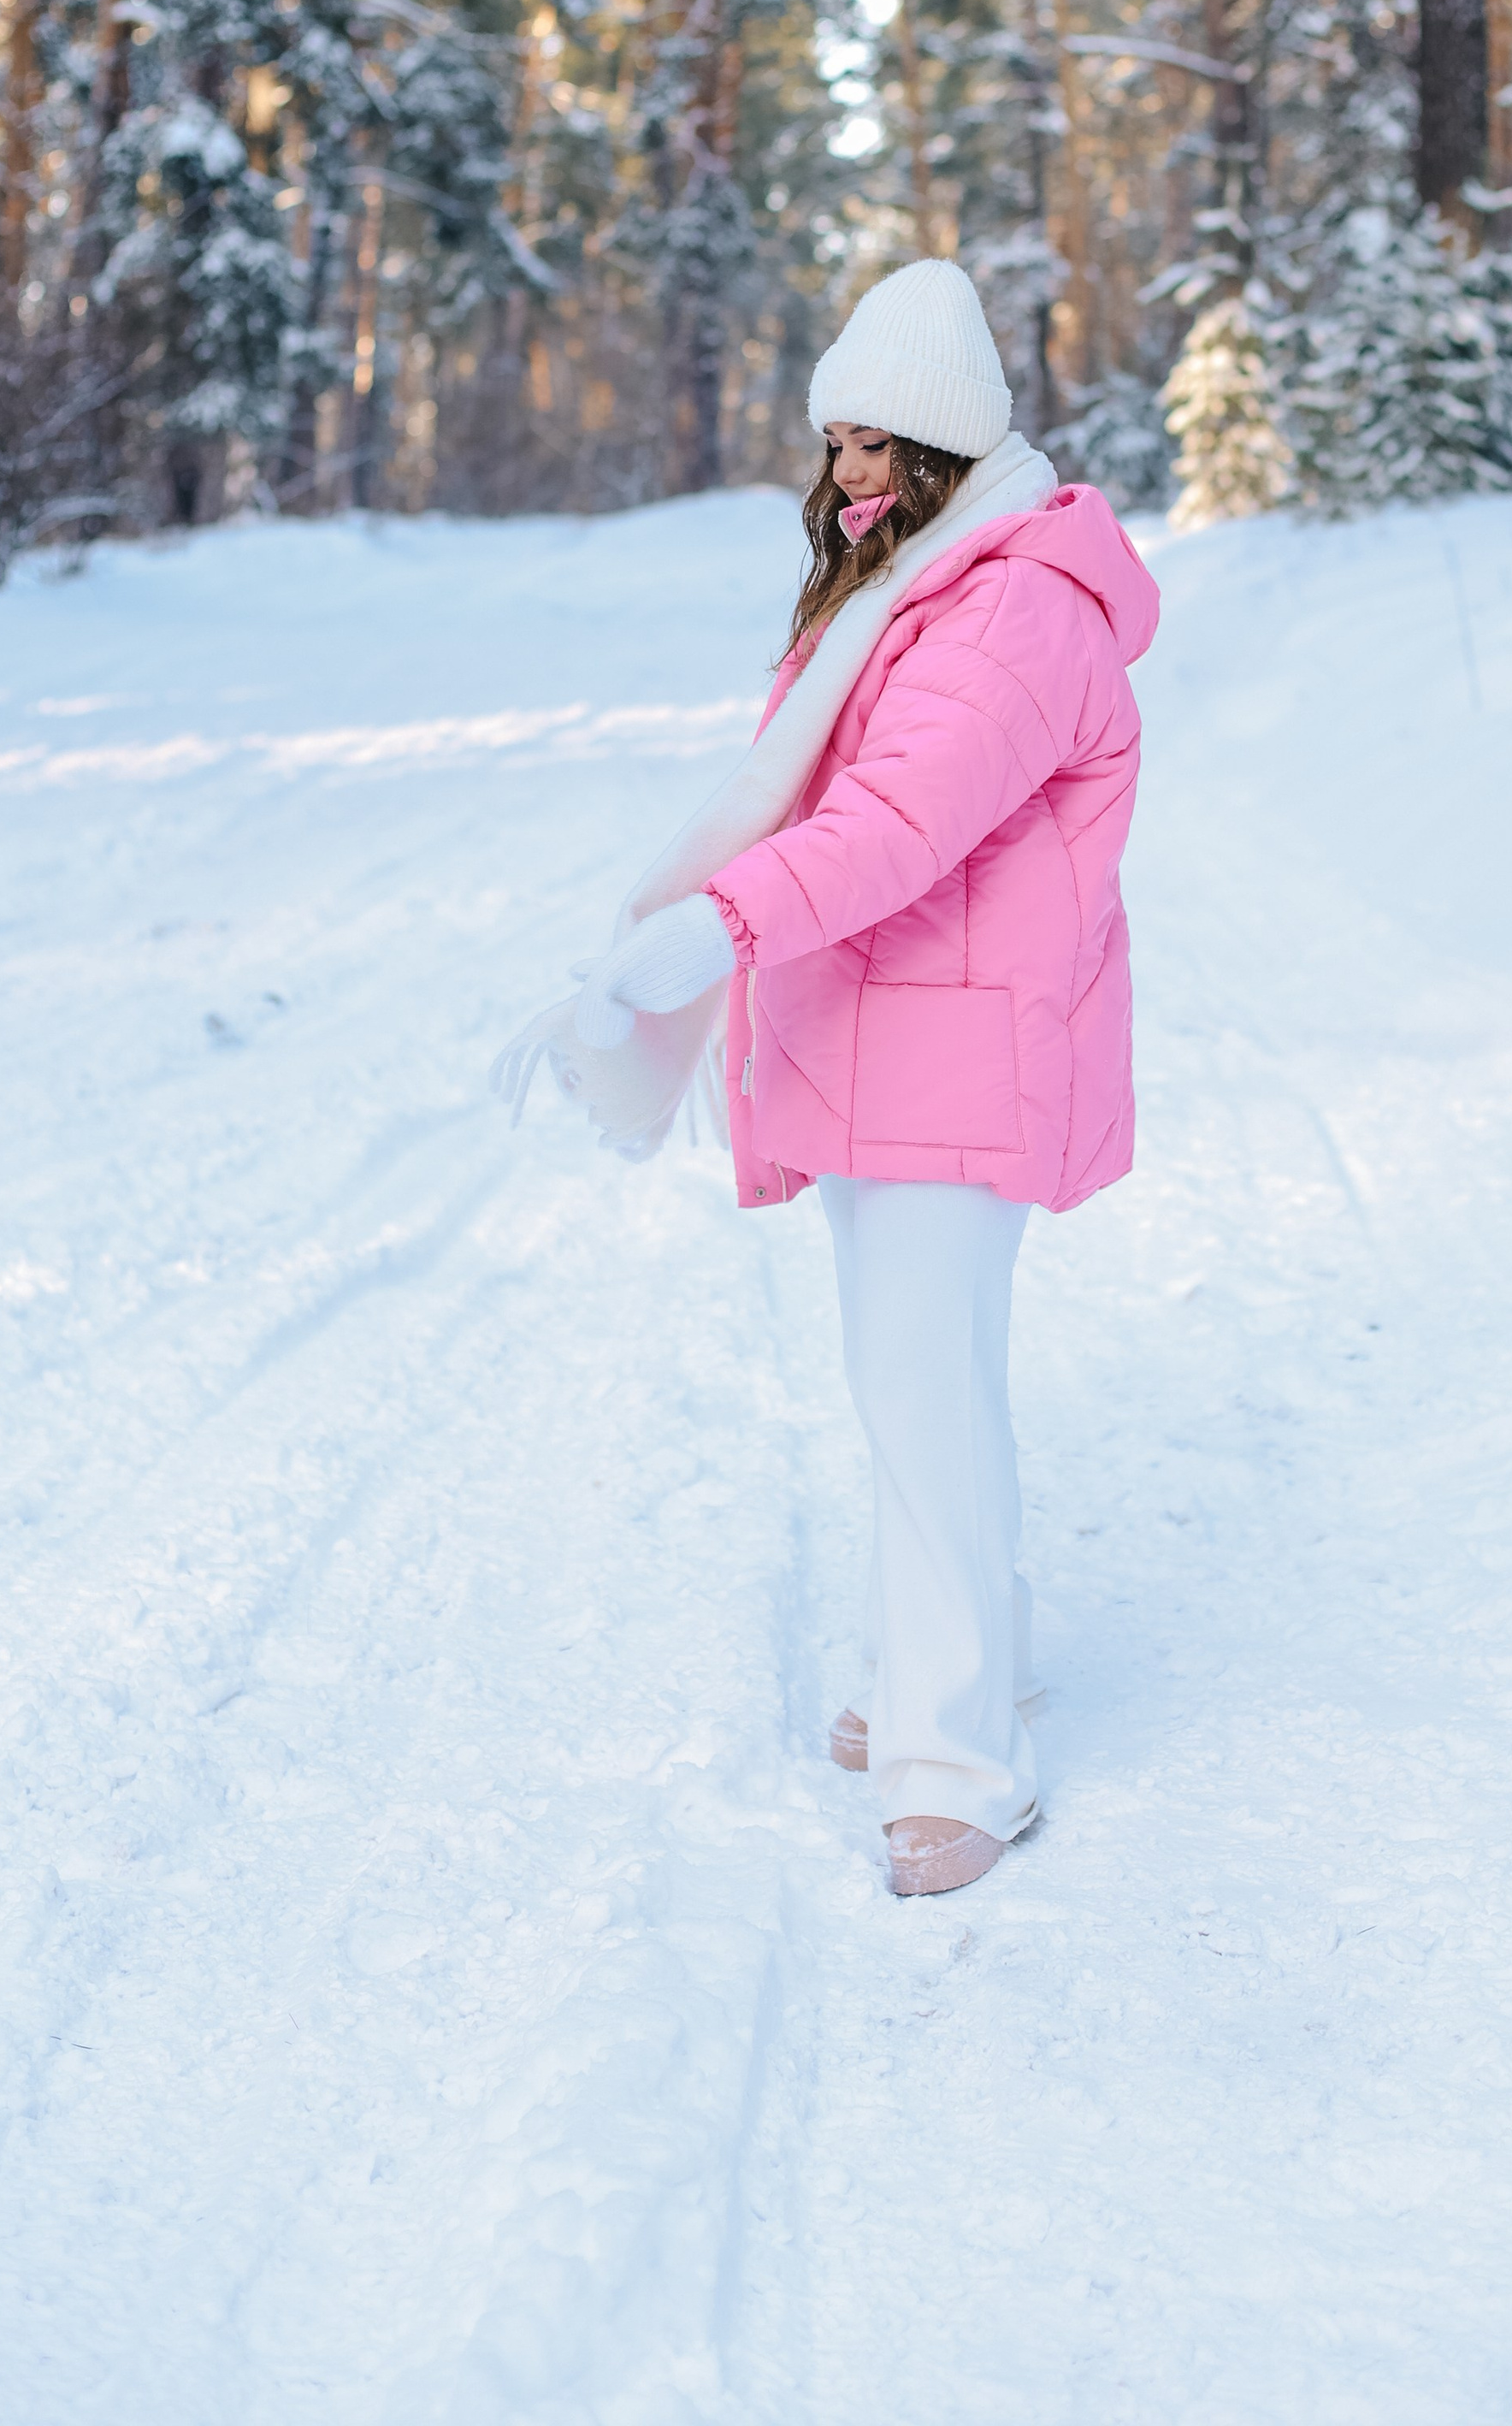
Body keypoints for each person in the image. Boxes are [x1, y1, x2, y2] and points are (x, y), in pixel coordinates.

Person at [566, 261, 1157, 1896]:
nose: (853, 479)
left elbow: (893, 829)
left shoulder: (1015, 609)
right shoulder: (923, 588)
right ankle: (952, 1675)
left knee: (921, 1396)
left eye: (887, 448)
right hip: (906, 1047)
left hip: (959, 1059)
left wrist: (715, 930)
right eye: (837, 444)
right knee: (925, 1389)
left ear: (959, 453)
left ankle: (961, 1758)